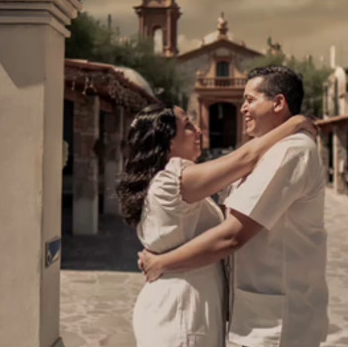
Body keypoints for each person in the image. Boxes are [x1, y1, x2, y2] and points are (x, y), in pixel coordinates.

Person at [138, 66, 329, 347]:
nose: (242, 109)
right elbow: (244, 158)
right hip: (253, 318)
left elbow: (232, 235)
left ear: (278, 103)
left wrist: (161, 262)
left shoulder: (291, 150)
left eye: (250, 100)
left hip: (276, 325)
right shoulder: (267, 150)